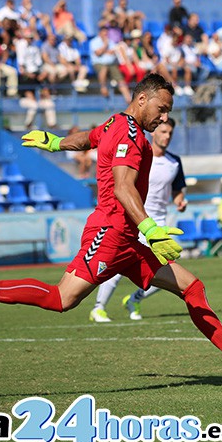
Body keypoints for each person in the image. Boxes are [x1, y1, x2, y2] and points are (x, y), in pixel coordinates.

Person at [0, 73, 222, 377]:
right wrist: (152, 230)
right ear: (141, 99)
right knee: (61, 299)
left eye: (168, 112)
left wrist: (56, 142)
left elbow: (88, 138)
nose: (164, 117)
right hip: (108, 235)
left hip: (127, 240)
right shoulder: (129, 137)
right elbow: (123, 189)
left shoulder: (115, 123)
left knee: (191, 287)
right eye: (161, 109)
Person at [90, 117, 186, 323]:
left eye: (170, 133)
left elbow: (178, 190)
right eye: (163, 132)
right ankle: (99, 308)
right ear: (154, 132)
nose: (166, 136)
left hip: (159, 223)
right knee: (117, 264)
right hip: (137, 219)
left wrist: (180, 201)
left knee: (171, 271)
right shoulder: (141, 154)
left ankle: (134, 299)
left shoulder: (174, 162)